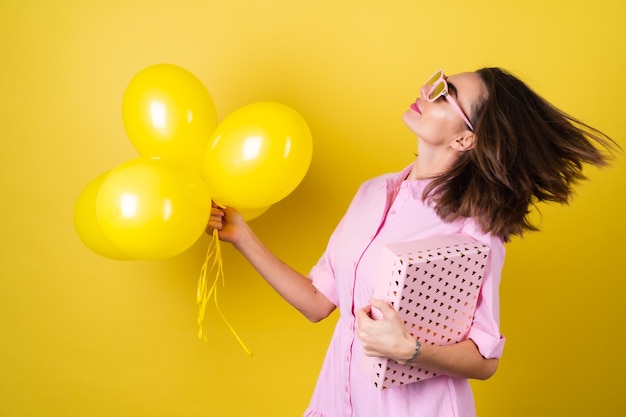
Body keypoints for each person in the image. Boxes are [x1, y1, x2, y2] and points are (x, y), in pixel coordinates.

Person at [206, 67, 618, 417]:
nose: (426, 91)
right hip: (341, 400)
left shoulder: (476, 226)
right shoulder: (371, 192)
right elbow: (317, 302)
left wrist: (410, 349)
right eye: (435, 82)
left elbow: (485, 357)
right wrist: (242, 235)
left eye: (445, 95)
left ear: (465, 139)